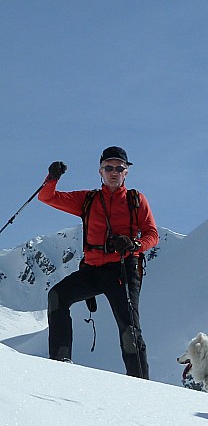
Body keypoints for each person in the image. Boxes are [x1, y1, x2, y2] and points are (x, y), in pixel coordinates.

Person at [39, 146, 159, 378]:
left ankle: (141, 385)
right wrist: (52, 178)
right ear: (100, 171)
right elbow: (47, 197)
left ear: (126, 172)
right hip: (93, 270)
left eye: (119, 168)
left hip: (123, 270)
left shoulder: (136, 200)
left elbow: (152, 235)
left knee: (129, 329)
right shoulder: (88, 199)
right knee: (57, 296)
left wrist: (135, 245)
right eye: (108, 167)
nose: (114, 172)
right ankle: (60, 362)